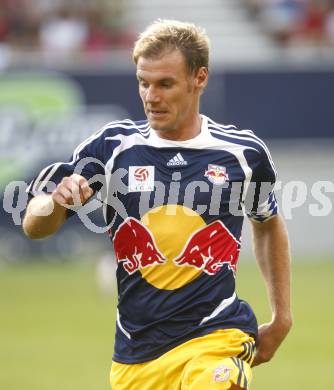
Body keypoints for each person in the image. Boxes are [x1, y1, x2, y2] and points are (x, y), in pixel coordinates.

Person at [23, 19, 292, 390]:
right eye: (143, 83)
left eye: (165, 84)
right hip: (137, 355)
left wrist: (282, 316)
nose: (151, 96)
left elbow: (268, 223)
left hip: (216, 338)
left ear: (200, 79)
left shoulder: (242, 154)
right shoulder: (112, 147)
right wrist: (55, 202)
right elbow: (34, 225)